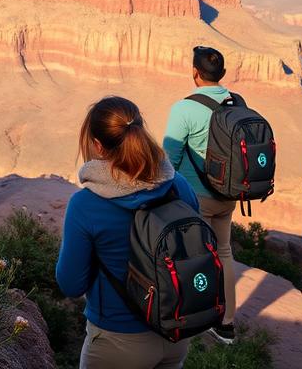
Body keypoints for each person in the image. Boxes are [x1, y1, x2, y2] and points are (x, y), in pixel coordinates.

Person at [57, 96, 198, 369]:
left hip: (117, 342)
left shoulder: (86, 204)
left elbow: (70, 284)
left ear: (98, 145)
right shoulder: (178, 185)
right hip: (175, 333)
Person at [162, 46, 239, 343]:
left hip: (196, 197)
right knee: (224, 251)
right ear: (221, 74)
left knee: (192, 257)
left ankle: (195, 317)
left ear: (195, 72)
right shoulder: (235, 102)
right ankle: (227, 323)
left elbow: (169, 160)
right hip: (228, 195)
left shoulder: (185, 108)